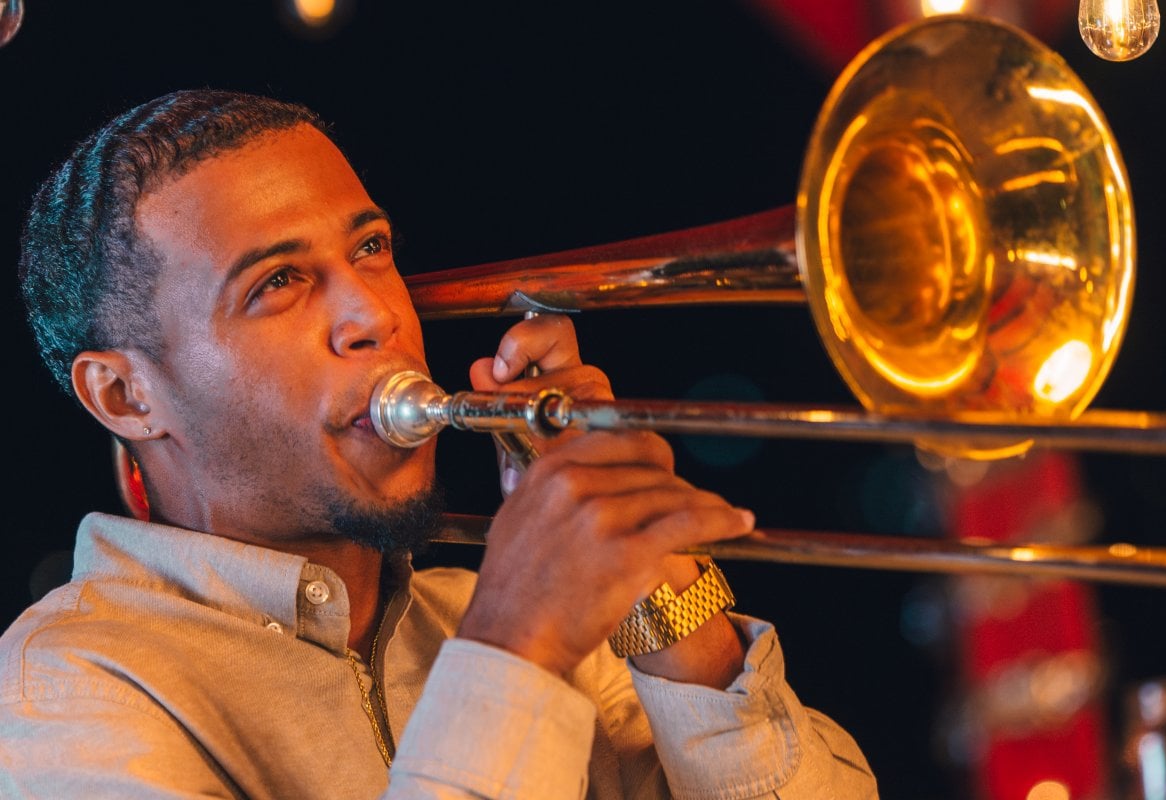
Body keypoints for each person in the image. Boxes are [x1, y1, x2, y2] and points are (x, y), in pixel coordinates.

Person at [0, 89, 877, 799]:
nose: (378, 313)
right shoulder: (63, 691)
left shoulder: (490, 612)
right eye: (278, 282)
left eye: (372, 248)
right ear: (125, 394)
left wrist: (660, 590)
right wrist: (514, 648)